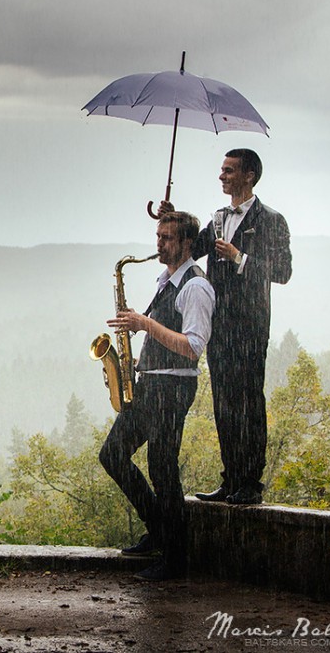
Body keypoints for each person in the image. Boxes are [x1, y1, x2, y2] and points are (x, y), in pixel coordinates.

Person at [99, 211, 215, 581]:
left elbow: (194, 347)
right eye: (158, 236)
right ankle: (159, 532)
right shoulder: (167, 281)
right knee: (113, 455)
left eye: (167, 238)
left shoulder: (196, 287)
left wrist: (145, 324)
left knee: (163, 469)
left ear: (186, 244)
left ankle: (176, 558)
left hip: (173, 386)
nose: (159, 244)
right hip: (151, 385)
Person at [190, 149, 292, 505]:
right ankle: (230, 477)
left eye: (229, 171)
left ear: (249, 175)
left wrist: (238, 257)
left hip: (249, 328)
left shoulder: (271, 220)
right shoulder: (218, 218)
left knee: (248, 401)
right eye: (221, 170)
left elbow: (282, 272)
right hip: (219, 325)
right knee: (224, 403)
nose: (222, 176)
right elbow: (190, 249)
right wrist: (170, 218)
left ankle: (250, 483)